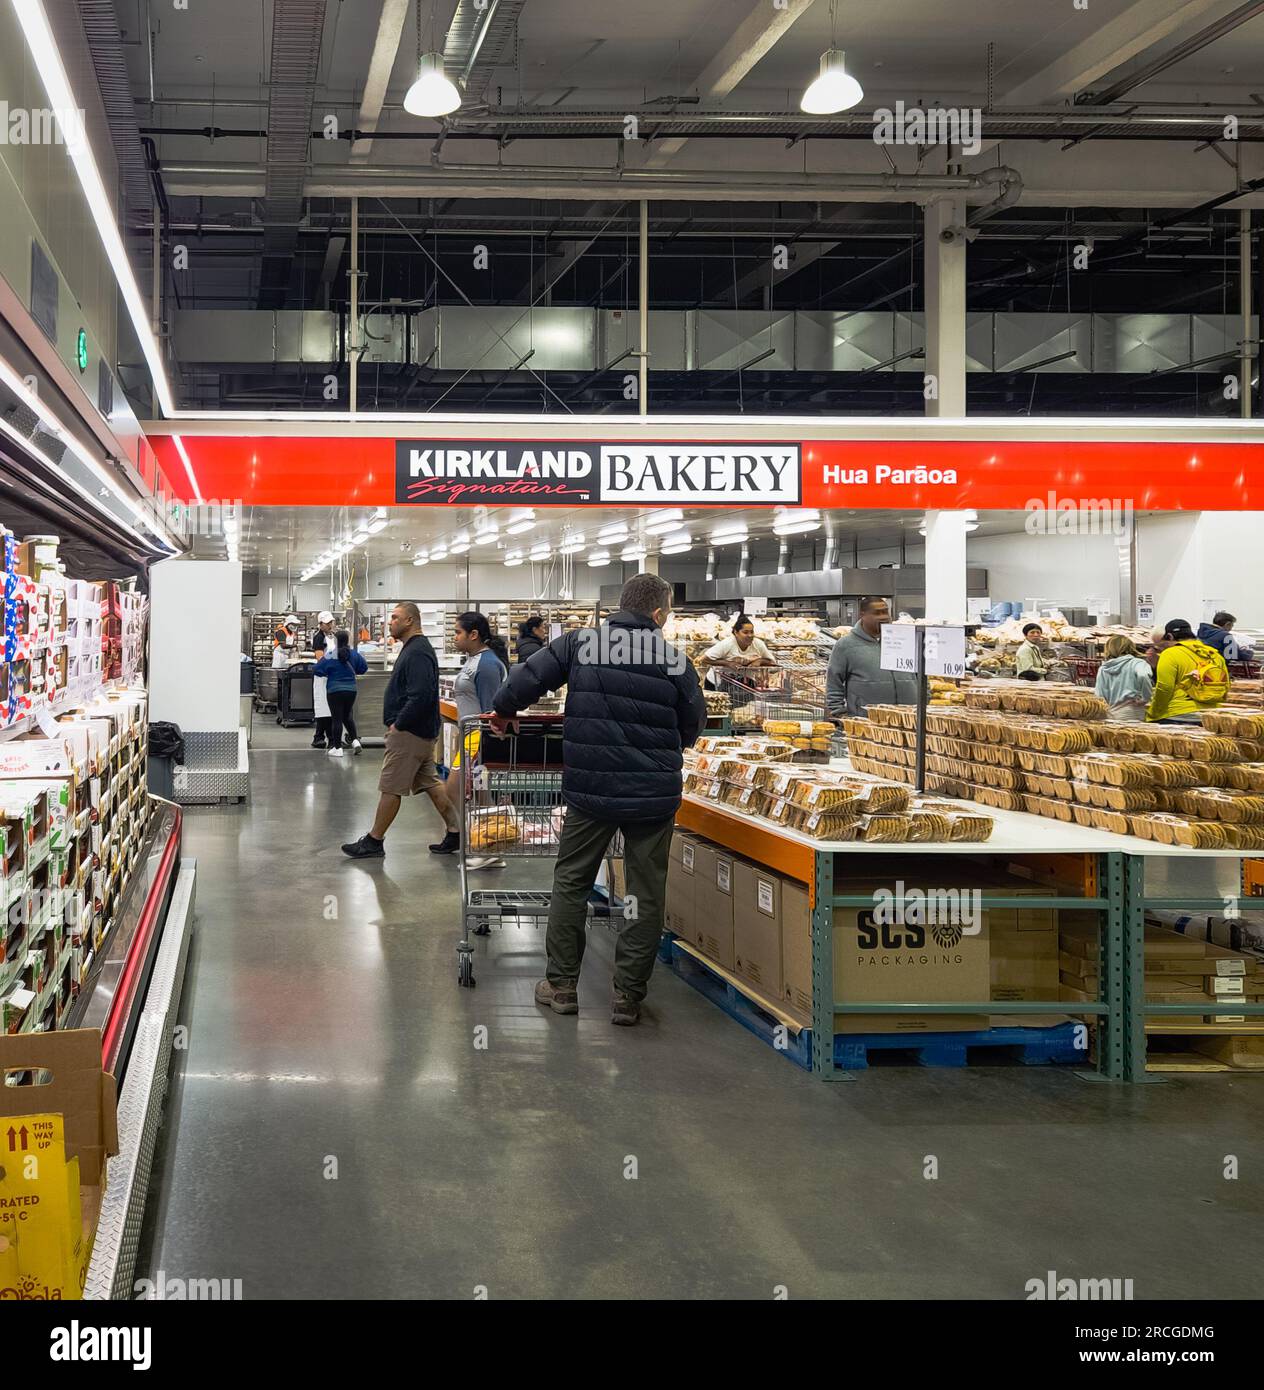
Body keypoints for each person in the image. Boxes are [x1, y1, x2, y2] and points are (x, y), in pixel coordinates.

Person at [490, 573, 706, 1027]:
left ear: (619, 607)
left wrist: (505, 710)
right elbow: (693, 724)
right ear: (659, 613)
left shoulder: (580, 643)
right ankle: (628, 995)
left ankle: (563, 985)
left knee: (572, 880)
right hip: (652, 794)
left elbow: (528, 679)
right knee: (645, 891)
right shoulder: (674, 658)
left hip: (591, 792)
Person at [341, 602, 461, 859]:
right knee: (430, 783)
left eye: (395, 617)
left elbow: (420, 695)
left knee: (391, 787)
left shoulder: (417, 652)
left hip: (410, 734)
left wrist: (399, 724)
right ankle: (455, 830)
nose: (390, 622)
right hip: (420, 733)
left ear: (410, 621)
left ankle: (374, 841)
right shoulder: (414, 648)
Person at [445, 612, 508, 865]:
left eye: (458, 632)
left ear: (474, 634)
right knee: (481, 795)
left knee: (454, 787)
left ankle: (487, 844)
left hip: (478, 738)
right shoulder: (474, 660)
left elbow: (491, 709)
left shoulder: (488, 665)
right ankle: (489, 845)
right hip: (470, 735)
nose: (454, 637)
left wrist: (485, 745)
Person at [826, 596, 917, 718]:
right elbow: (834, 682)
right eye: (877, 613)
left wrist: (923, 704)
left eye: (885, 612)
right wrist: (839, 713)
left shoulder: (902, 641)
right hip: (867, 721)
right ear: (862, 615)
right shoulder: (846, 645)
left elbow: (920, 675)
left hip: (909, 720)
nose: (884, 617)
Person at [1147, 617, 1231, 723]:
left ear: (1170, 636)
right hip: (1211, 716)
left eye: (1164, 644)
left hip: (1177, 714)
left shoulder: (1170, 654)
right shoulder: (1215, 655)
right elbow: (1226, 686)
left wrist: (1153, 713)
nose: (1163, 648)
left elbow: (1165, 688)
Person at [314, 629, 367, 756]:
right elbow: (363, 668)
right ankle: (355, 741)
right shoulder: (354, 654)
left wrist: (328, 672)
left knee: (336, 719)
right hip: (351, 690)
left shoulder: (331, 654)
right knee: (347, 716)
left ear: (336, 641)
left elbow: (317, 669)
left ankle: (337, 748)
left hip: (334, 690)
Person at [697, 614, 776, 688]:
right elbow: (704, 659)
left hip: (745, 684)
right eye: (745, 632)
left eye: (752, 632)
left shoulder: (758, 644)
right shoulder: (727, 644)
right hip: (717, 684)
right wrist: (728, 663)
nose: (750, 635)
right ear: (736, 632)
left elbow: (772, 662)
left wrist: (760, 661)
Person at [1094, 635, 1153, 721]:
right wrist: (1145, 698)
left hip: (1110, 713)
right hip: (1131, 713)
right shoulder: (1137, 663)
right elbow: (1143, 675)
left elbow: (1099, 695)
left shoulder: (1103, 668)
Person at [311, 611, 336, 749]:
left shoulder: (332, 636)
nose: (330, 625)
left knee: (328, 708)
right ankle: (330, 739)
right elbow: (320, 658)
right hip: (322, 675)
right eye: (327, 623)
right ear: (320, 624)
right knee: (324, 708)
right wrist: (331, 668)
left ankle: (319, 737)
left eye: (331, 622)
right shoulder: (318, 638)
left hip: (331, 675)